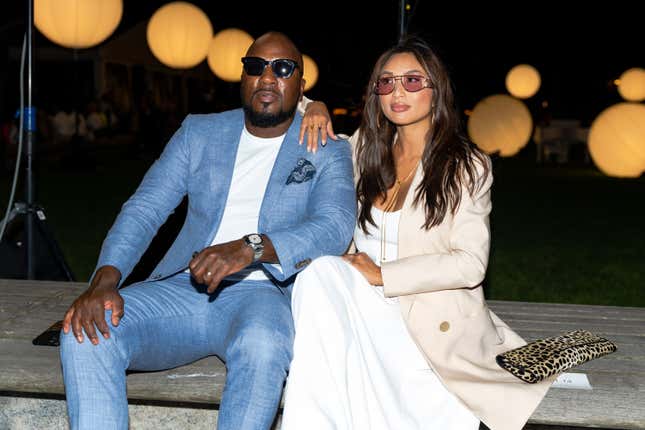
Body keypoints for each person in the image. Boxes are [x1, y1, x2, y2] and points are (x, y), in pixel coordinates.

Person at [59, 32, 356, 430]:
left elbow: (334, 225)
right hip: (185, 288)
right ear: (242, 78)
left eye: (282, 68)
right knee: (86, 332)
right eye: (255, 67)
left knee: (264, 345)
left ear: (300, 85)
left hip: (263, 293)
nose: (267, 78)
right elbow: (145, 208)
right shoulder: (199, 133)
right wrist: (105, 278)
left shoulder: (325, 147)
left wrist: (252, 247)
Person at [281, 36, 552, 430]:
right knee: (320, 273)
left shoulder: (465, 164)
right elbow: (306, 117)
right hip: (367, 308)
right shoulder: (364, 150)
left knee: (322, 281)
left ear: (435, 91)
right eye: (386, 82)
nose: (397, 92)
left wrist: (383, 274)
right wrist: (317, 104)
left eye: (412, 81)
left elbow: (470, 264)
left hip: (427, 320)